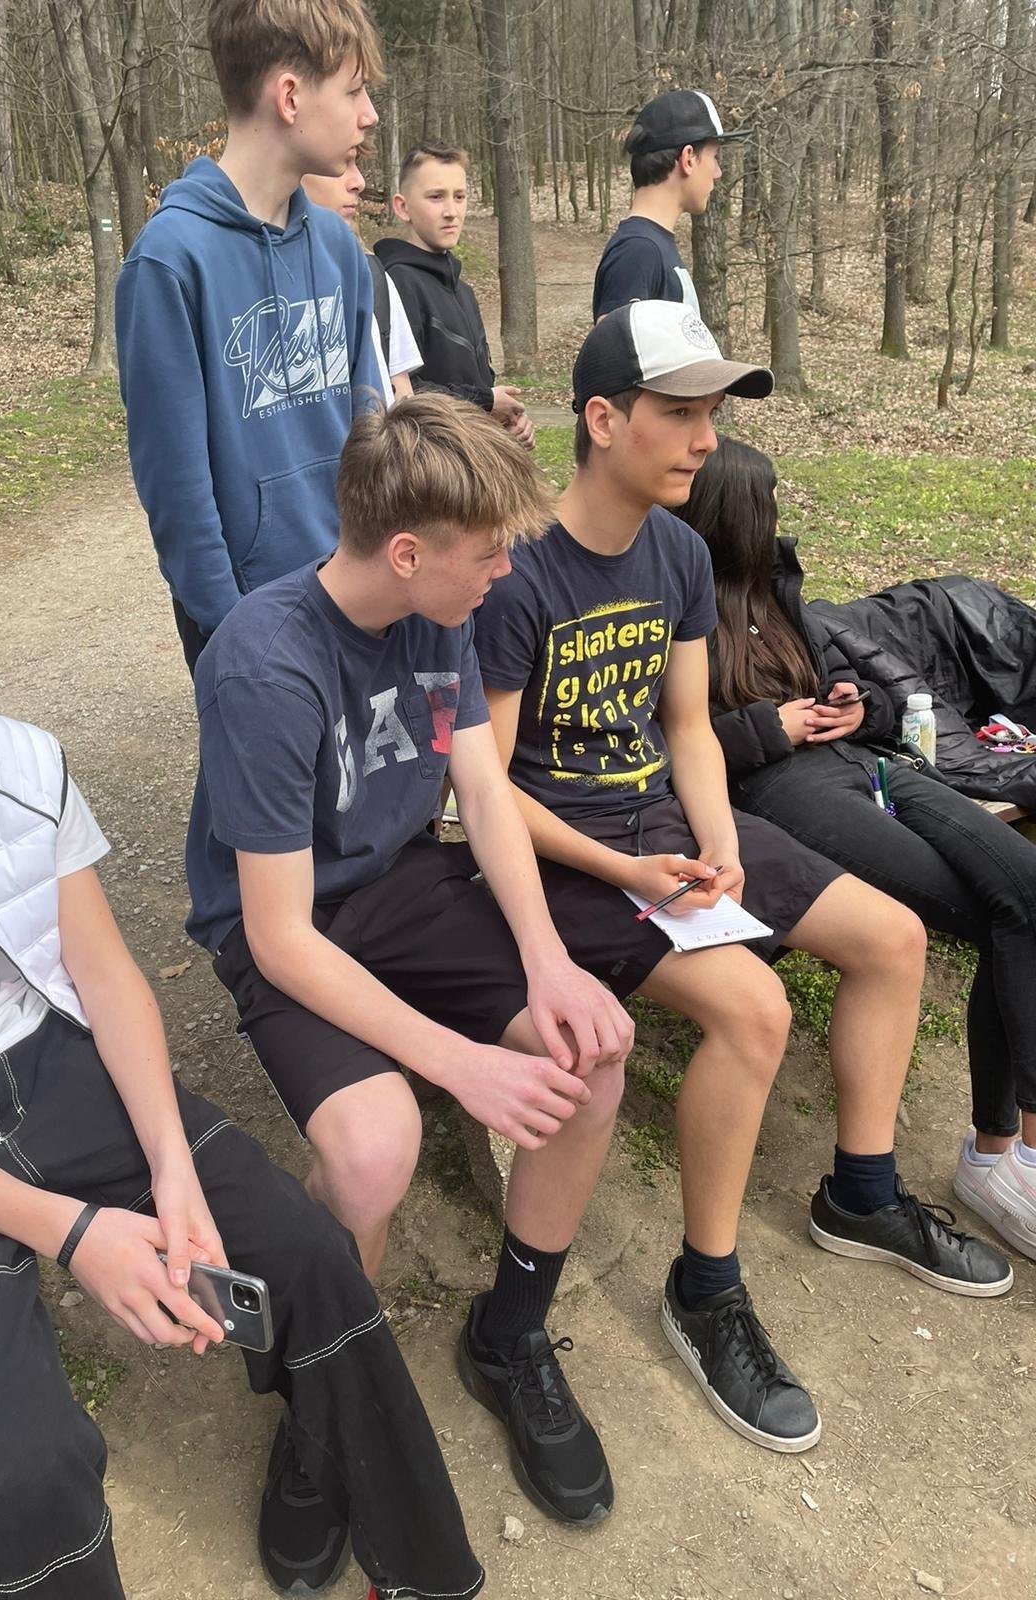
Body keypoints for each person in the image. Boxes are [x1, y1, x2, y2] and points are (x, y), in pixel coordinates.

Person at [0, 489, 485, 1600]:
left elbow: (105, 977)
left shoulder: (24, 761)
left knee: (313, 1258)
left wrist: (174, 1170)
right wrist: (77, 1233)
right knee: (34, 1464)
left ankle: (417, 1568)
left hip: (48, 1059)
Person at [472, 301, 1012, 1455]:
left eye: (712, 412)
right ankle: (705, 1288)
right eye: (680, 412)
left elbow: (687, 726)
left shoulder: (678, 553)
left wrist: (718, 842)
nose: (707, 439)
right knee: (755, 1008)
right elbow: (487, 791)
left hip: (669, 824)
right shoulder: (519, 576)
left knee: (894, 940)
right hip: (567, 854)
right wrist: (629, 865)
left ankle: (861, 1192)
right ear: (602, 420)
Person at [187, 394, 635, 1526]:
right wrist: (460, 1063)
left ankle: (510, 1335)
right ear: (406, 552)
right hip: (292, 923)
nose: (504, 572)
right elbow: (280, 936)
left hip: (401, 886)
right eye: (488, 554)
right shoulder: (265, 666)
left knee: (592, 1051)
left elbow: (482, 790)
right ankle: (322, 1391)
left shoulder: (443, 610)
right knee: (376, 1150)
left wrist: (548, 961)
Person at [682, 435, 1036, 1264]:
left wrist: (857, 707)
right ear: (733, 515)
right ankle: (996, 1156)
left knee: (1026, 884)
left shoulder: (777, 589)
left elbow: (868, 687)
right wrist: (765, 728)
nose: (776, 518)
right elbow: (671, 749)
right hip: (778, 789)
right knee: (997, 911)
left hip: (861, 763)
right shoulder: (675, 605)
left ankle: (1011, 1151)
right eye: (765, 503)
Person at [116, 0, 385, 675]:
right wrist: (234, 630)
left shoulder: (339, 248)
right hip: (247, 624)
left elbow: (370, 428)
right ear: (289, 97)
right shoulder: (170, 261)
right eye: (353, 91)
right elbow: (176, 488)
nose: (369, 114)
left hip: (359, 595)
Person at [374, 142, 535, 449]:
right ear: (402, 207)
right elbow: (404, 392)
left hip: (477, 460)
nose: (451, 212)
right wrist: (485, 401)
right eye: (436, 197)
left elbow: (481, 384)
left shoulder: (464, 292)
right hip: (430, 466)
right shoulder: (397, 282)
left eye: (459, 197)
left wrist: (508, 424)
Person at [592, 89, 748, 321]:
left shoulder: (650, 247)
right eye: (714, 157)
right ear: (688, 159)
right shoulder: (637, 253)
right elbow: (611, 344)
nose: (718, 173)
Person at [302, 151, 423, 401]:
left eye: (355, 164)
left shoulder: (373, 276)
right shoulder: (251, 281)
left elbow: (402, 396)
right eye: (340, 165)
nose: (359, 182)